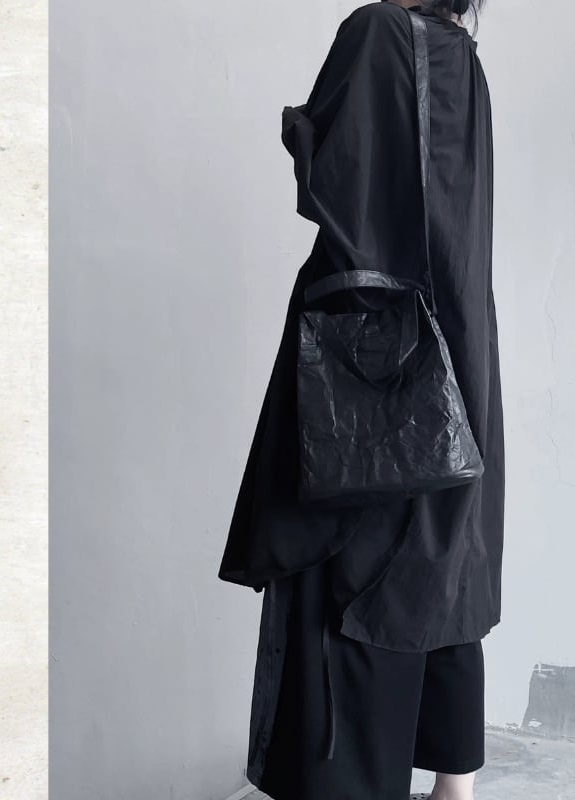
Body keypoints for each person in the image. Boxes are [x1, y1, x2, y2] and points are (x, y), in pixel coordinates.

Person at [217, 1, 503, 799]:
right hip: (456, 345)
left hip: (372, 356)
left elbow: (336, 183)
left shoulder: (375, 30)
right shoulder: (464, 58)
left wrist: (299, 128)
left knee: (349, 553)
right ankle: (453, 785)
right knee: (442, 546)